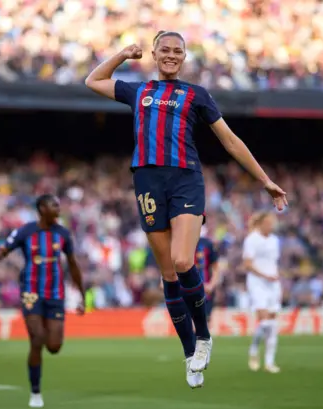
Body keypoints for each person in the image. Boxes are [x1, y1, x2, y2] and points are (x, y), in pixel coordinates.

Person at [85, 30, 287, 388]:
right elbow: (93, 80)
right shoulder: (138, 91)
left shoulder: (197, 95)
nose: (171, 55)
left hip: (185, 180)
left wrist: (264, 179)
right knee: (168, 274)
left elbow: (230, 140)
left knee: (182, 261)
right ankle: (189, 353)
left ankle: (205, 337)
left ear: (184, 57)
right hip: (147, 182)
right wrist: (122, 54)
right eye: (165, 50)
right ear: (154, 52)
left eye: (178, 51)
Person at [0, 194, 85, 408]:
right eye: (54, 205)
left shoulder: (62, 234)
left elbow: (73, 264)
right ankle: (35, 392)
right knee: (37, 338)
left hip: (55, 294)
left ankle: (37, 374)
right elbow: (5, 249)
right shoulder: (26, 231)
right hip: (32, 292)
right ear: (42, 208)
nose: (58, 209)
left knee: (54, 346)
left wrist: (81, 293)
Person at [243, 212, 282, 373]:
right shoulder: (252, 239)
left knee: (273, 323)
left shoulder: (274, 240)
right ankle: (253, 349)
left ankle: (269, 362)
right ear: (261, 224)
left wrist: (274, 275)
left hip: (273, 283)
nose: (271, 226)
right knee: (264, 321)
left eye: (272, 223)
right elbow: (247, 264)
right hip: (257, 282)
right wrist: (265, 275)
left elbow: (272, 262)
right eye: (268, 223)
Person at [195, 227, 221, 325]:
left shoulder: (206, 244)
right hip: (186, 289)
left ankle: (202, 339)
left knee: (204, 321)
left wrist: (211, 285)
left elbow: (216, 268)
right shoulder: (179, 242)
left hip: (206, 289)